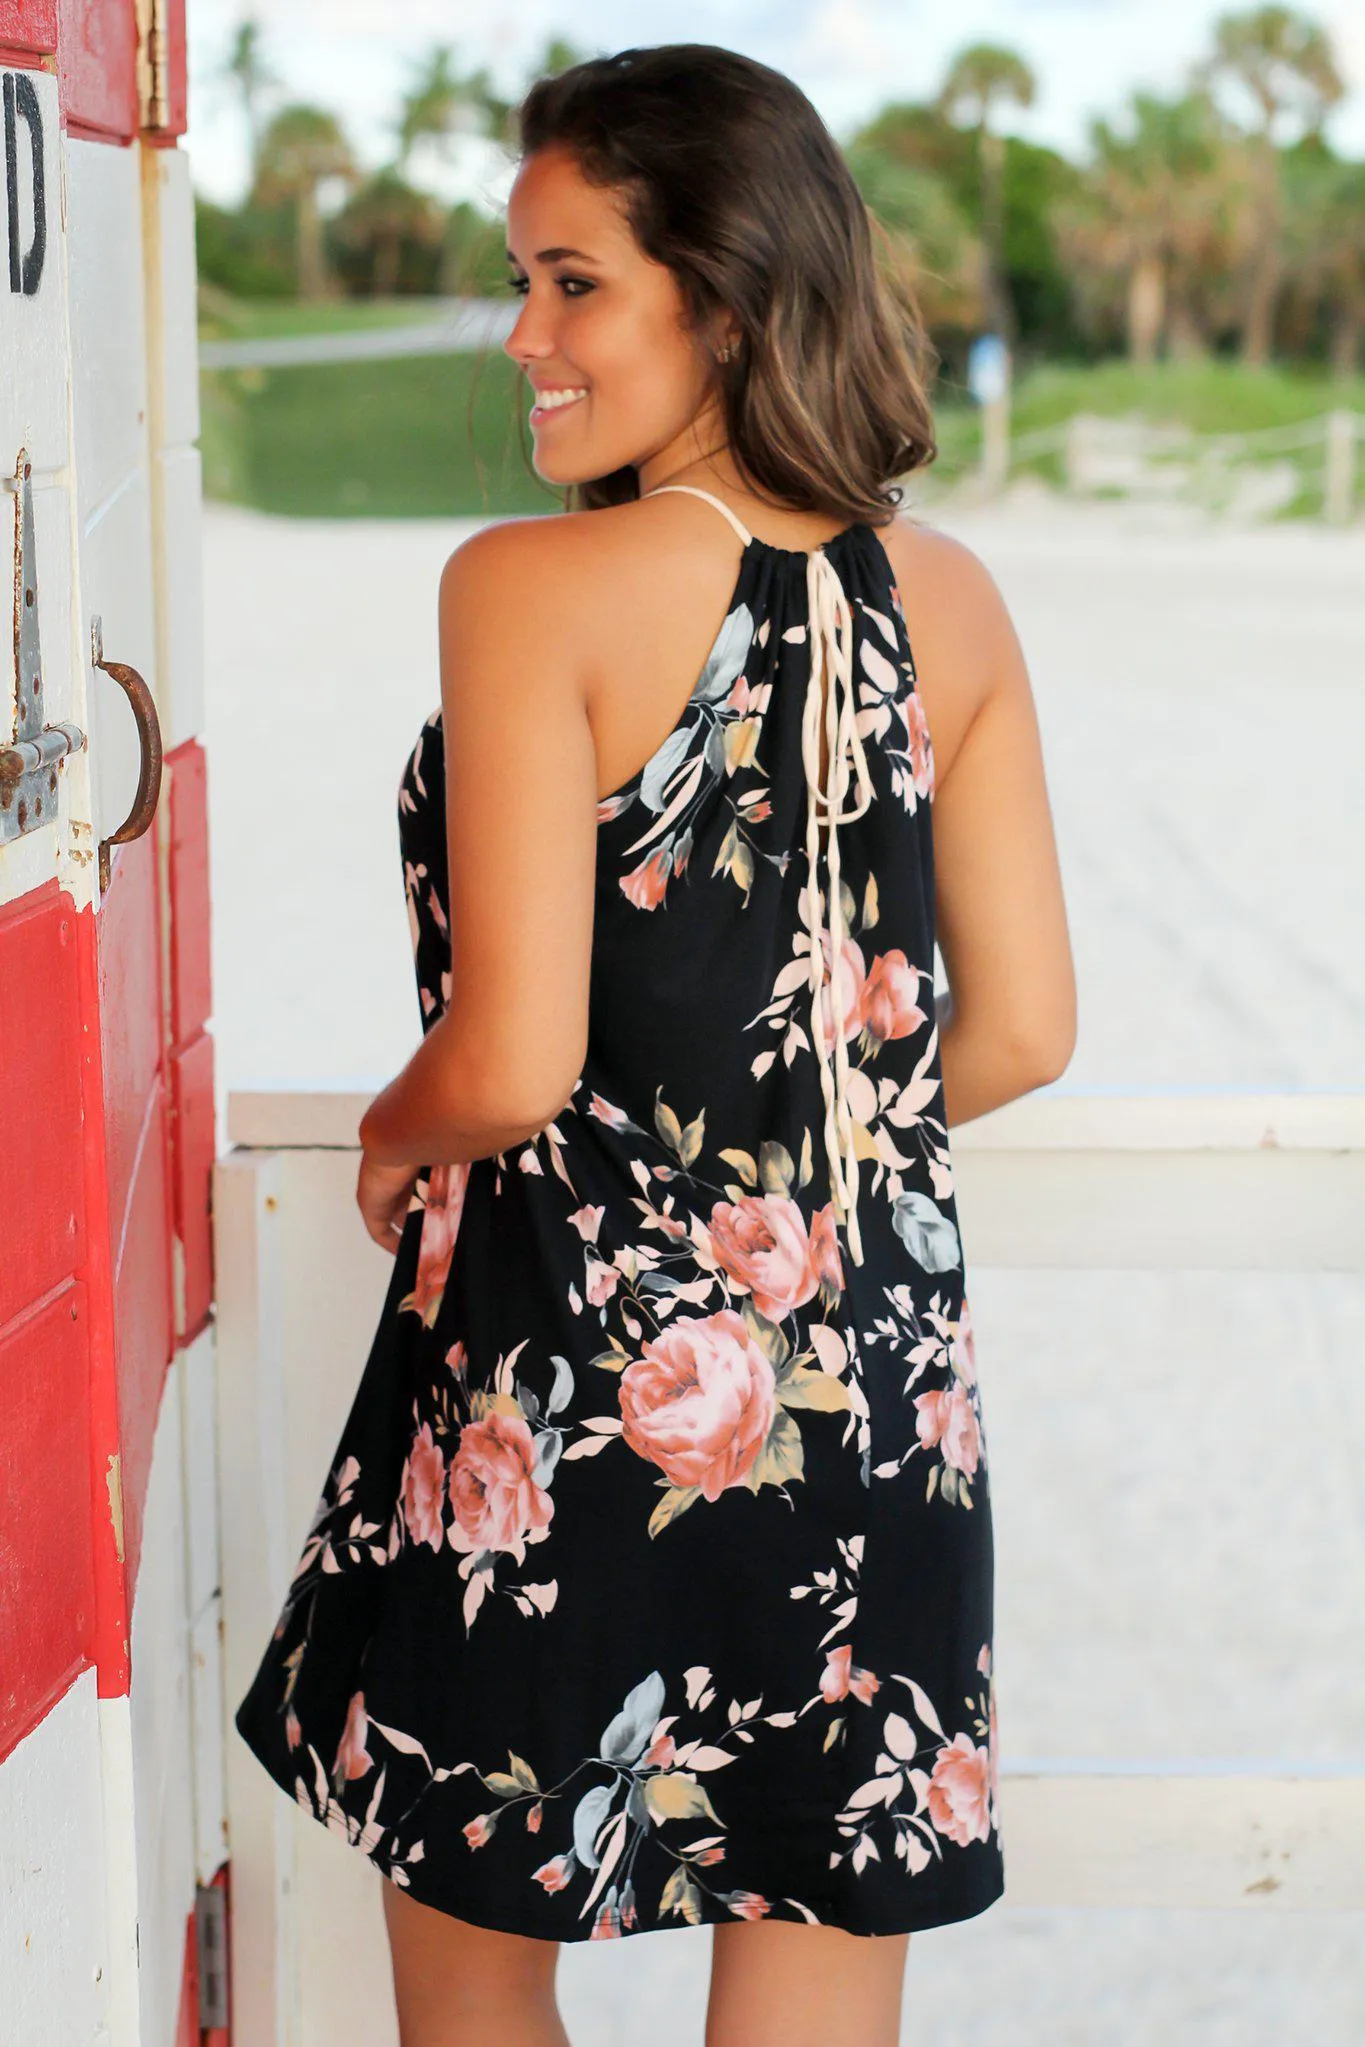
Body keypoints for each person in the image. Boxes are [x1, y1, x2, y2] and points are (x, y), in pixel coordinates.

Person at [233, 41, 1076, 2047]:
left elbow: (510, 1060)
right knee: (807, 1964)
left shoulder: (529, 589)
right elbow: (1023, 1028)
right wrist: (764, 1174)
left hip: (561, 1392)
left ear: (724, 289)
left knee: (471, 1983)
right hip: (872, 1405)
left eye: (570, 280)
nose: (519, 333)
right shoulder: (942, 603)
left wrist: (386, 1122)